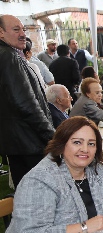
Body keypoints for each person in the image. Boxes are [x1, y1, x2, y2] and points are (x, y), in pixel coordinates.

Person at [0, 117, 103, 233]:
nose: (85, 149)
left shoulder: (96, 171)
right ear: (62, 144)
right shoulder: (40, 180)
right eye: (77, 142)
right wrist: (85, 227)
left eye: (91, 144)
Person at [0, 14, 55, 187]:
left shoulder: (9, 54)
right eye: (16, 30)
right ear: (1, 33)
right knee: (39, 199)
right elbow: (25, 103)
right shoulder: (9, 56)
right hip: (29, 144)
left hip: (21, 143)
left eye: (23, 29)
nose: (23, 33)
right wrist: (52, 136)